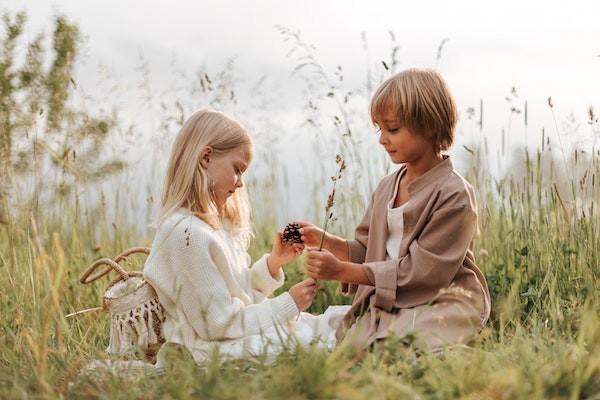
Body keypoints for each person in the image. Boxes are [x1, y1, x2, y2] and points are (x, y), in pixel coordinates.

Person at [299, 68, 491, 351]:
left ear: (428, 125)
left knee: (397, 343)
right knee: (359, 340)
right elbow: (370, 251)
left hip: (440, 297)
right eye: (380, 129)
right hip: (394, 296)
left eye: (392, 129)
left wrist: (343, 271)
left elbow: (423, 273)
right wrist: (327, 242)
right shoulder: (387, 187)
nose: (382, 139)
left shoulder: (455, 196)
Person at [143, 109, 348, 366]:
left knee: (327, 324)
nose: (240, 183)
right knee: (316, 340)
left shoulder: (213, 227)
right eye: (237, 169)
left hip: (230, 337)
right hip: (207, 349)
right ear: (206, 158)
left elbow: (238, 299)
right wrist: (289, 303)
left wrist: (272, 264)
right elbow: (216, 324)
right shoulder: (186, 235)